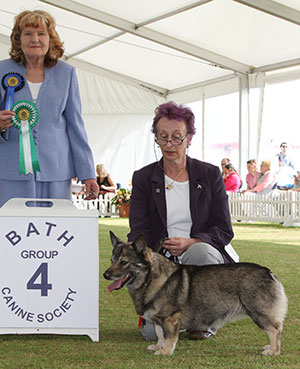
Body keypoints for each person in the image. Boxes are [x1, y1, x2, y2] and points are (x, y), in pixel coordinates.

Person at [128, 101, 234, 342]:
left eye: (177, 137)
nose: (169, 144)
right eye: (162, 137)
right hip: (161, 260)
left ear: (189, 138)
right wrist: (153, 257)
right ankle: (174, 317)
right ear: (155, 137)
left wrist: (192, 241)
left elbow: (224, 229)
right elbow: (139, 230)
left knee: (201, 252)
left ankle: (203, 321)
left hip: (200, 253)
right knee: (150, 335)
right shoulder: (144, 178)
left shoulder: (209, 174)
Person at [0, 10, 98, 207]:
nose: (35, 39)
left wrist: (88, 173)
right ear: (18, 40)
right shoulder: (1, 71)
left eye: (41, 33)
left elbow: (75, 126)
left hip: (56, 172)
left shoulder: (67, 73)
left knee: (54, 231)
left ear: (51, 39)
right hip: (10, 171)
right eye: (28, 33)